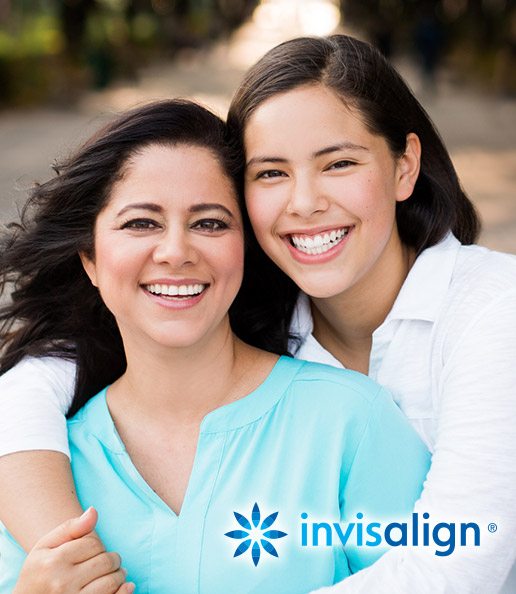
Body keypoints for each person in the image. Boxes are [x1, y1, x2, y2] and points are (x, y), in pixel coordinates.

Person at [0, 33, 515, 592]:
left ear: (403, 167)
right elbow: (39, 381)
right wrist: (59, 558)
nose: (304, 202)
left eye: (339, 162)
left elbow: (457, 569)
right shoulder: (243, 309)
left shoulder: (491, 314)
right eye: (270, 172)